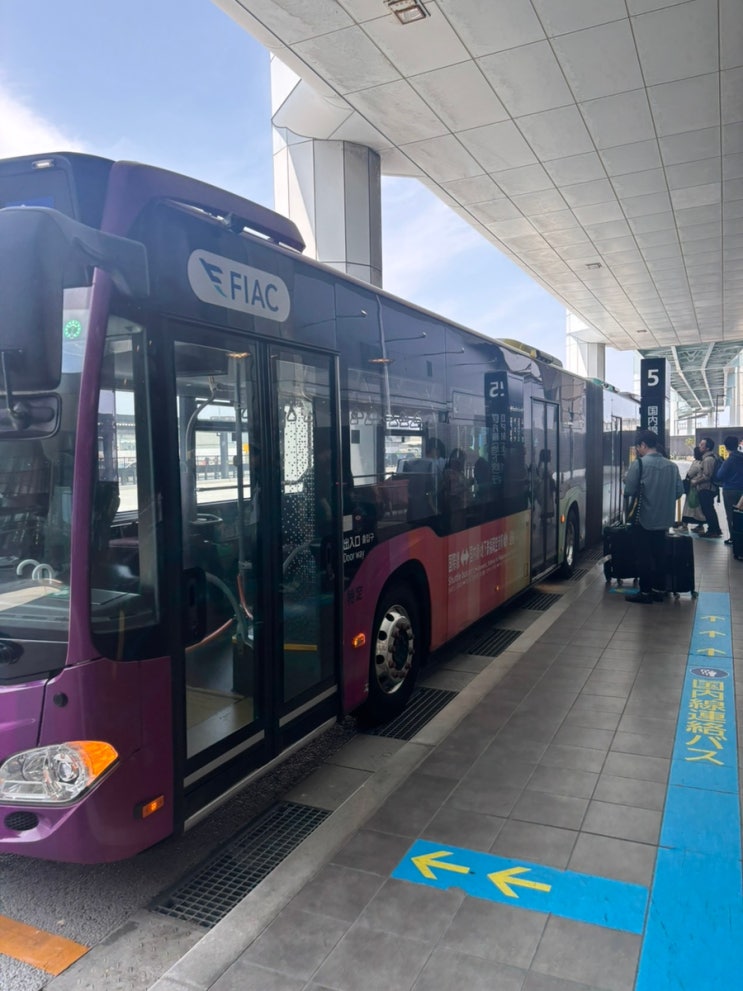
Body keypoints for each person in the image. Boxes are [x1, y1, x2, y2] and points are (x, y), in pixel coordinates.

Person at [623, 429, 684, 604]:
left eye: (638, 447)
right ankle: (659, 590)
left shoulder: (639, 464)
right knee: (660, 555)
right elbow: (679, 492)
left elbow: (629, 491)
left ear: (643, 445)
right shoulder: (672, 466)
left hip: (643, 519)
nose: (638, 450)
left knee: (643, 556)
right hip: (664, 520)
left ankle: (645, 592)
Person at [691, 436, 723, 537]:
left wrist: (696, 482)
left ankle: (713, 530)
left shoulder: (708, 459)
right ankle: (715, 530)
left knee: (708, 510)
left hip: (706, 489)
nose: (699, 446)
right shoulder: (709, 457)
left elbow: (707, 476)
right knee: (709, 509)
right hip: (708, 488)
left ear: (707, 448)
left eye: (702, 445)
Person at [715, 434, 743, 545]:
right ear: (737, 445)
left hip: (729, 490)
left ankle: (734, 538)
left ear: (726, 447)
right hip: (742, 491)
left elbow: (720, 475)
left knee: (731, 515)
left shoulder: (729, 460)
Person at [678, 446, 706, 533]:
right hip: (700, 488)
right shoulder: (703, 462)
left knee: (688, 507)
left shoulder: (697, 463)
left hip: (693, 488)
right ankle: (700, 525)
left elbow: (690, 474)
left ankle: (684, 525)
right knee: (699, 508)